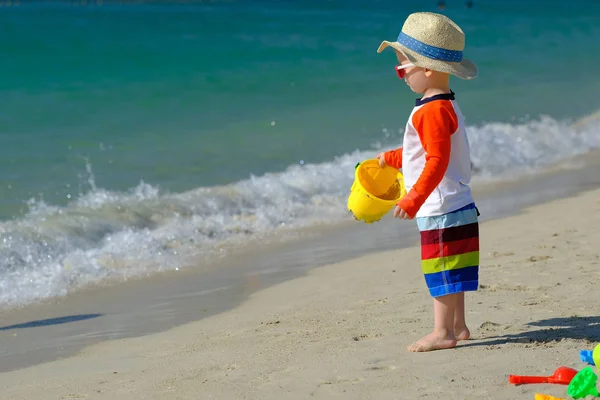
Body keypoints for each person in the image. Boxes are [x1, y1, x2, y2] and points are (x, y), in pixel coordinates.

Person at [375, 12, 480, 352]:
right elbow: (425, 150)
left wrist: (413, 198)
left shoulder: (431, 111)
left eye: (402, 68)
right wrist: (391, 158)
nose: (400, 76)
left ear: (428, 69)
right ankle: (459, 326)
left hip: (440, 206)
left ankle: (442, 332)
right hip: (457, 202)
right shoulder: (442, 104)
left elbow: (436, 160)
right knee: (455, 270)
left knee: (441, 273)